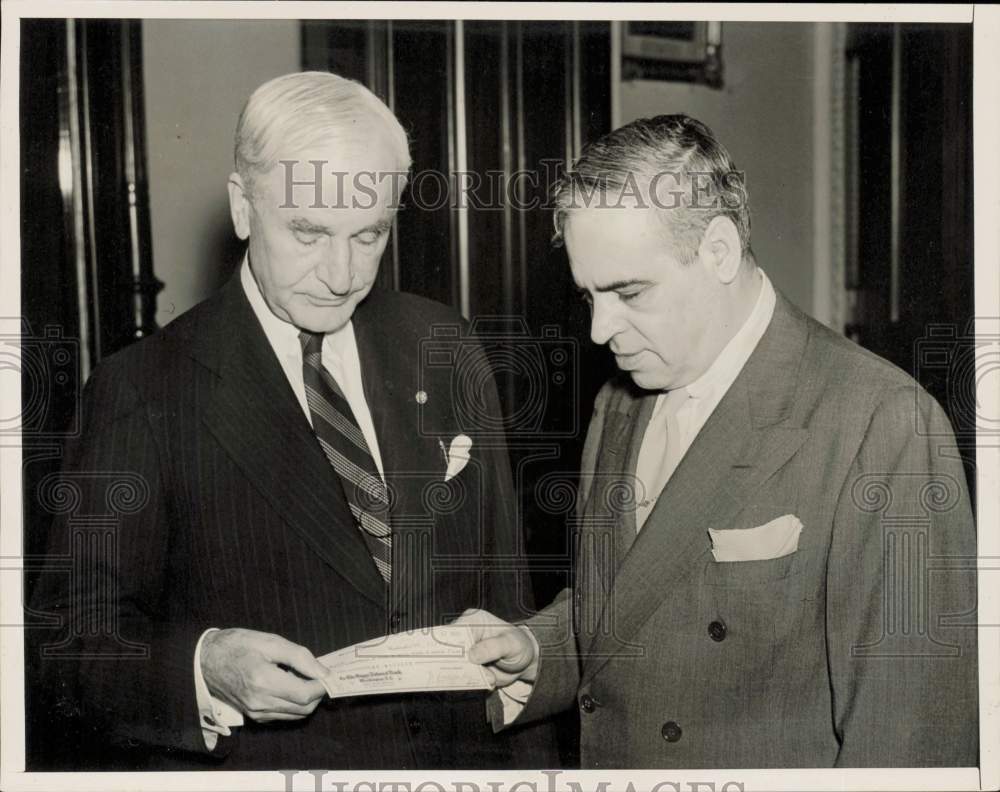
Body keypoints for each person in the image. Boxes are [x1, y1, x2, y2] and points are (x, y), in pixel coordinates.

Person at [30, 71, 554, 770]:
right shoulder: (144, 387)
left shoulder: (444, 344)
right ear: (243, 207)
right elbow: (71, 641)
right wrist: (205, 665)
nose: (341, 274)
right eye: (308, 232)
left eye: (369, 235)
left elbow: (507, 596)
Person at [460, 114, 978, 768]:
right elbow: (635, 605)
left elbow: (913, 737)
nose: (599, 331)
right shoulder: (619, 404)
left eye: (629, 293)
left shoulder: (881, 422)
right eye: (589, 297)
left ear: (719, 251)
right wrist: (536, 647)